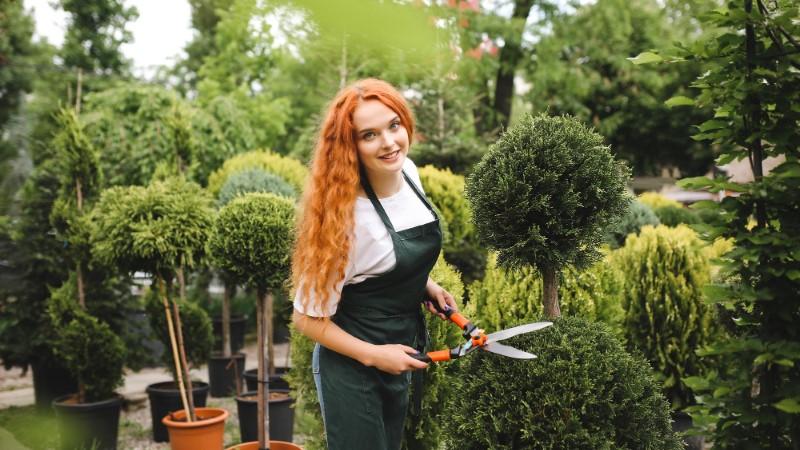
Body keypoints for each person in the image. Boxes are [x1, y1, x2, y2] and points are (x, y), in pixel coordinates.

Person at [291, 78, 458, 450]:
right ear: (350, 147)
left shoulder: (409, 173)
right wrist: (375, 355)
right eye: (369, 135)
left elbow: (383, 262)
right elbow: (306, 318)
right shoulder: (344, 221)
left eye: (393, 125)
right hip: (352, 367)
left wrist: (424, 284)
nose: (389, 142)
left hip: (398, 352)